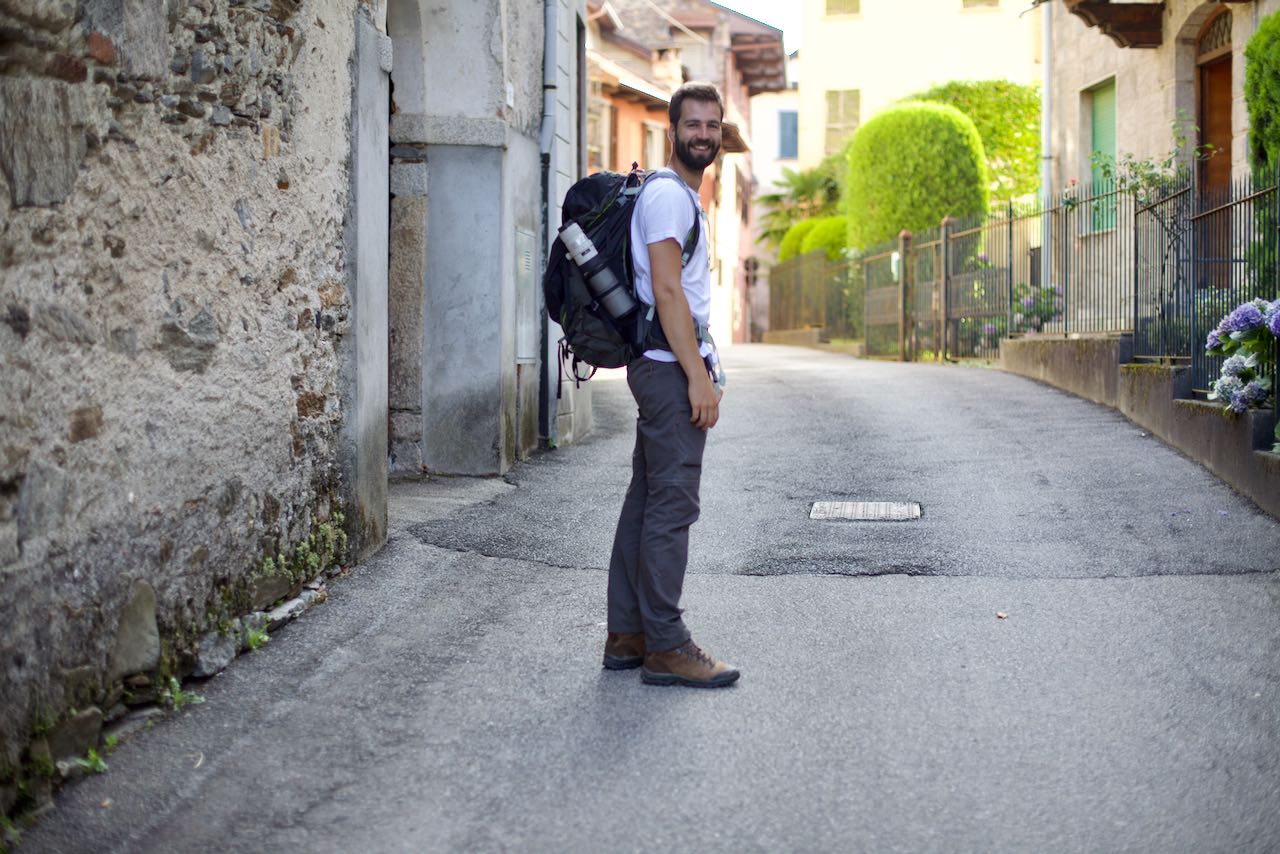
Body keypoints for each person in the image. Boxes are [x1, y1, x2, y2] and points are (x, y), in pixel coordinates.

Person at [602, 82, 739, 689]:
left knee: (646, 501)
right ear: (673, 131)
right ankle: (665, 644)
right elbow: (666, 290)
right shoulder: (669, 199)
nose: (703, 134)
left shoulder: (682, 196)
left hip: (659, 362)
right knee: (671, 506)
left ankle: (628, 635)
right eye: (694, 125)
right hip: (666, 366)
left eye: (712, 125)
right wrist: (697, 378)